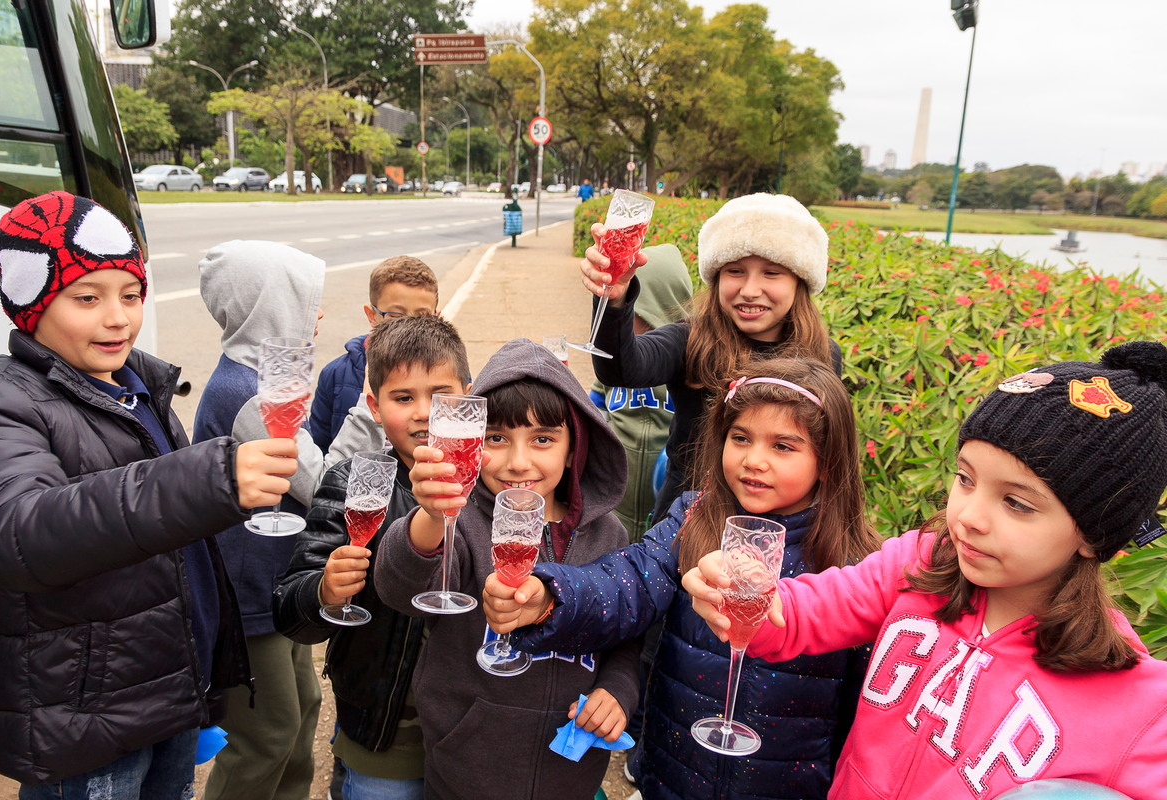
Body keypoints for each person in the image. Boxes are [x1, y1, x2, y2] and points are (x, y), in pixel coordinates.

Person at [685, 341, 1167, 799]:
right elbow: (805, 610)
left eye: (1017, 503)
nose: (969, 516)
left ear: (1093, 533)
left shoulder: (1137, 705)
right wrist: (743, 593)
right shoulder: (918, 565)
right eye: (965, 478)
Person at [0, 192, 297, 795]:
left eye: (131, 294)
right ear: (31, 305)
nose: (117, 317)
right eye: (86, 297)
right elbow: (14, 534)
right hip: (85, 723)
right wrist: (210, 478)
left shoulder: (136, 385)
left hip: (165, 696)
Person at [485, 357, 880, 800]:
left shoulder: (855, 567)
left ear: (827, 461)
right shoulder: (694, 519)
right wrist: (553, 597)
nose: (754, 460)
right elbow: (627, 582)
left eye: (782, 446)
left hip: (788, 786)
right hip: (674, 773)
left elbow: (866, 714)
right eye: (740, 438)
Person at [374, 338, 641, 800]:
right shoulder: (465, 522)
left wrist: (618, 688)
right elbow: (400, 587)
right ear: (473, 442)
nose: (519, 462)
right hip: (464, 771)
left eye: (542, 439)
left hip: (571, 776)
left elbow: (628, 631)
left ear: (574, 445)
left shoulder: (609, 535)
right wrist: (431, 516)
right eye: (496, 438)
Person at [274, 314, 472, 800]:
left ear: (469, 395)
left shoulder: (491, 489)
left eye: (440, 394)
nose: (423, 412)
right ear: (374, 407)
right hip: (385, 732)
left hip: (471, 734)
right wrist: (322, 591)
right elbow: (289, 611)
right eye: (403, 398)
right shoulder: (352, 485)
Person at [579, 192, 842, 525]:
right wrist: (614, 300)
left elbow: (830, 454)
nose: (750, 289)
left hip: (783, 532)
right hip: (685, 526)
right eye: (735, 271)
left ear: (800, 281)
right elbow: (619, 368)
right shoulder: (692, 340)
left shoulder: (824, 355)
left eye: (772, 273)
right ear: (716, 277)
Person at [192, 240, 330, 800]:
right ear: (269, 306)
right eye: (304, 300)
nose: (317, 314)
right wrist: (371, 412)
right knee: (266, 737)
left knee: (301, 717)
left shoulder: (261, 378)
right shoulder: (246, 393)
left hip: (277, 582)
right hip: (248, 595)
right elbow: (321, 481)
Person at [588, 244, 693, 542]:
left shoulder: (684, 364)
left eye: (632, 310)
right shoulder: (615, 365)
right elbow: (596, 405)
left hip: (668, 516)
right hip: (613, 513)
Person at [310, 255, 439, 453]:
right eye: (396, 316)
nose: (410, 326)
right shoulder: (336, 375)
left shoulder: (449, 373)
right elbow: (319, 451)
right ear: (372, 315)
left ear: (437, 317)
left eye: (422, 317)